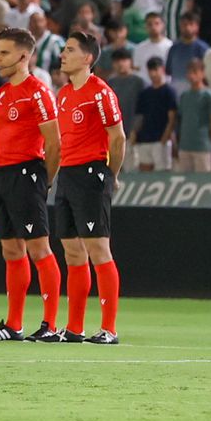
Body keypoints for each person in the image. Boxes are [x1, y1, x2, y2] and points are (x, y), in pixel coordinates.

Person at [0, 28, 63, 342]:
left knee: (39, 248)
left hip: (28, 173)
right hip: (3, 175)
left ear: (24, 56)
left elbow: (54, 143)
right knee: (11, 249)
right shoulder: (5, 92)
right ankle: (14, 324)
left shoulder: (38, 91)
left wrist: (45, 181)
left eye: (4, 53)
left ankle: (50, 325)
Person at [51, 31, 125, 344]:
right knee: (72, 251)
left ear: (87, 58)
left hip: (92, 173)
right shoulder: (64, 94)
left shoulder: (101, 93)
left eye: (69, 50)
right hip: (67, 174)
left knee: (98, 249)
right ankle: (75, 327)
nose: (62, 55)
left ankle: (109, 329)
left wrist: (111, 175)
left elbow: (118, 137)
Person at [133, 58, 177, 172]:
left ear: (162, 70)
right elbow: (140, 116)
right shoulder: (145, 93)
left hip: (161, 139)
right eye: (150, 71)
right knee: (144, 170)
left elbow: (172, 118)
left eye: (156, 70)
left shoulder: (169, 91)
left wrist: (164, 138)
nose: (153, 74)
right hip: (145, 138)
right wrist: (135, 133)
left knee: (162, 172)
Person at [176, 59, 211, 172]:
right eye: (189, 72)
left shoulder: (208, 95)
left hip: (202, 145)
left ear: (202, 73)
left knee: (203, 180)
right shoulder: (184, 95)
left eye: (195, 72)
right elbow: (181, 119)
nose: (191, 75)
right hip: (185, 145)